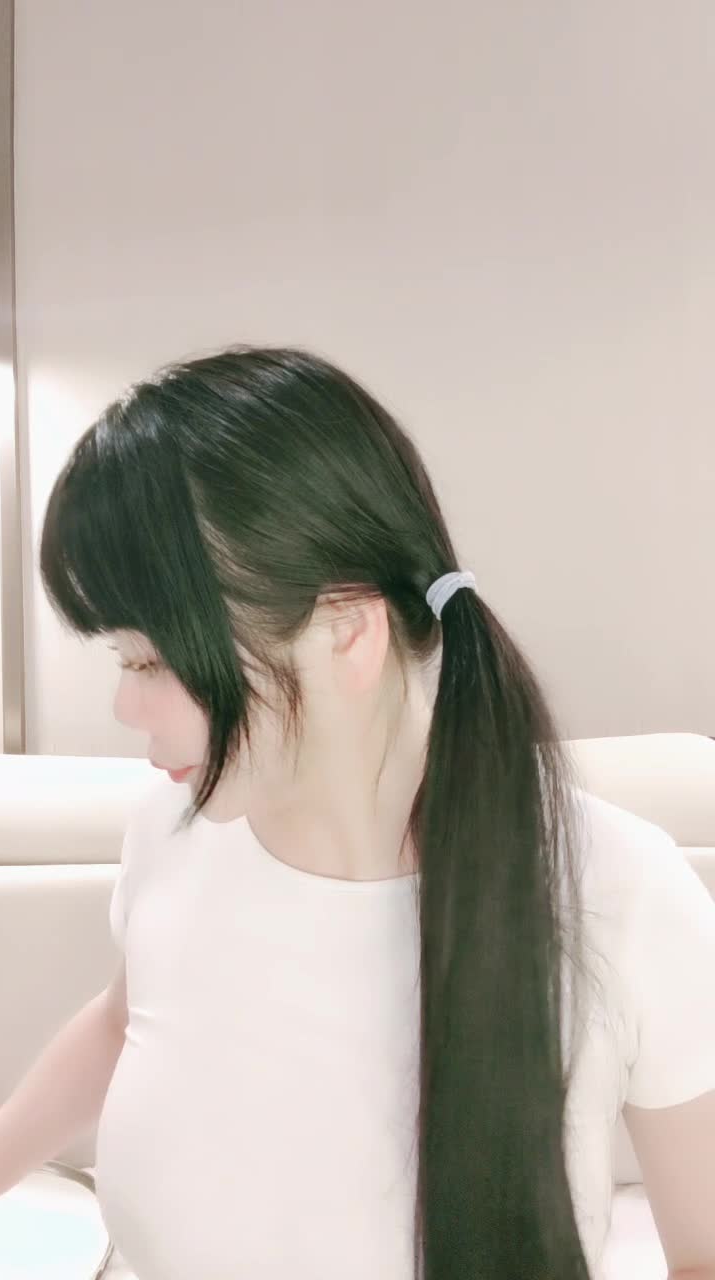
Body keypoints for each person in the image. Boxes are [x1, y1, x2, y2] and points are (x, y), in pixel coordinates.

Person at [37, 344, 715, 1280]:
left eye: (152, 661)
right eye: (121, 660)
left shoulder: (623, 894)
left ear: (346, 630)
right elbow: (125, 1019)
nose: (125, 705)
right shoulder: (173, 829)